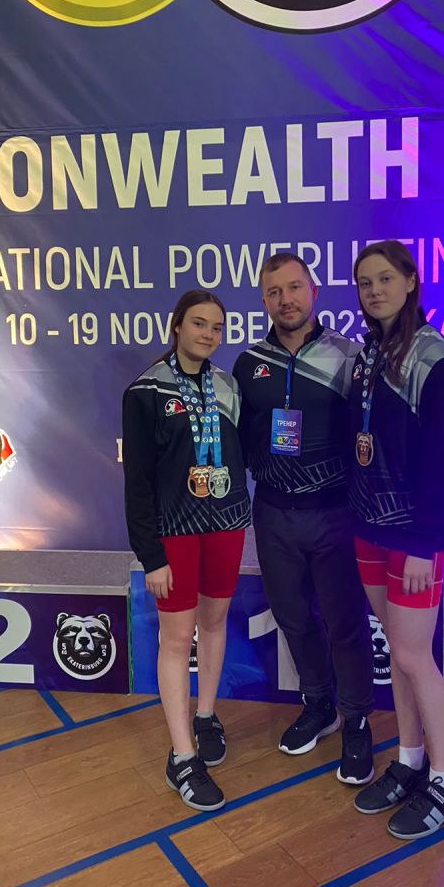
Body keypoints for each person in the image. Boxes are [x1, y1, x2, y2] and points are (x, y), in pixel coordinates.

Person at [233, 253, 376, 786]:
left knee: (345, 621)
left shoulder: (349, 356)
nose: (285, 300)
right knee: (293, 617)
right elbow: (241, 439)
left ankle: (357, 719)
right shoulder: (249, 363)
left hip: (335, 512)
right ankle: (320, 705)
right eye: (274, 292)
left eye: (294, 288)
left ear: (313, 291)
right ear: (263, 300)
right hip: (273, 513)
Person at [348, 240, 444, 840]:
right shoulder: (368, 353)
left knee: (417, 657)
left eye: (385, 279)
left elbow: (441, 459)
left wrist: (425, 542)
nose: (374, 291)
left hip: (414, 536)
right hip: (368, 529)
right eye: (365, 283)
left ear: (412, 280)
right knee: (398, 652)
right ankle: (410, 759)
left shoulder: (434, 356)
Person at [122, 289, 250, 812]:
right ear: (176, 326)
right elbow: (137, 483)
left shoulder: (229, 386)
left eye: (217, 327)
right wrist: (150, 555)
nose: (208, 334)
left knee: (214, 623)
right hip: (174, 532)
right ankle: (182, 756)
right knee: (177, 639)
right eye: (199, 323)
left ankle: (205, 714)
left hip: (226, 524)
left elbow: (243, 452)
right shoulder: (145, 391)